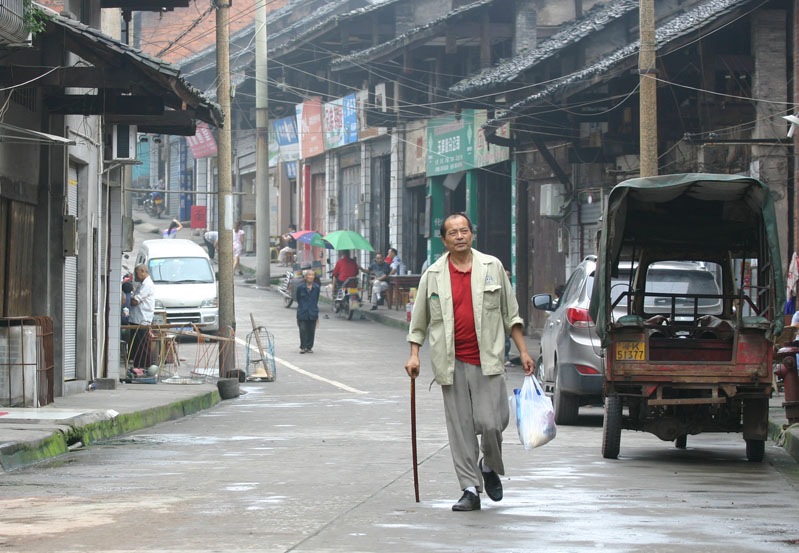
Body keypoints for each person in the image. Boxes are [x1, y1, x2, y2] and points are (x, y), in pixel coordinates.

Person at [405, 212, 534, 512]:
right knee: (461, 429)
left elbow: (510, 315)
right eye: (453, 232)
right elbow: (419, 323)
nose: (460, 236)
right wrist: (414, 355)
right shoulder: (433, 275)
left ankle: (488, 467)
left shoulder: (492, 267)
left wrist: (524, 352)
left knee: (492, 424)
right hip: (450, 365)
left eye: (464, 231)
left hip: (488, 361)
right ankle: (469, 489)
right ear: (444, 239)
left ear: (472, 234)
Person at [129, 264, 155, 369]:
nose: (136, 275)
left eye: (137, 273)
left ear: (143, 271)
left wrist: (130, 300)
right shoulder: (142, 284)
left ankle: (145, 367)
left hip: (142, 319)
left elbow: (135, 301)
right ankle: (138, 367)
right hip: (136, 319)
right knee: (136, 346)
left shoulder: (147, 285)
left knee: (143, 346)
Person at [296, 269, 320, 353]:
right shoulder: (300, 287)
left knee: (311, 330)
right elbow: (298, 299)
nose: (311, 277)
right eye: (309, 275)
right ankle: (303, 347)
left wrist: (313, 308)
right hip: (302, 311)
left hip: (313, 311)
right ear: (306, 277)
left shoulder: (316, 287)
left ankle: (309, 347)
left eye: (312, 275)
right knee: (302, 329)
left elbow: (316, 299)